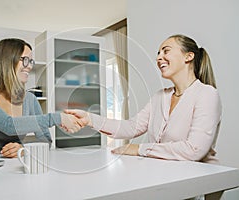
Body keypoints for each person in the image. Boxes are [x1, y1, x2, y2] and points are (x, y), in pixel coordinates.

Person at [66, 34, 222, 164]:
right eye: (158, 53)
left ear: (188, 56)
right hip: (167, 173)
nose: (159, 57)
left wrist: (139, 149)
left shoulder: (207, 94)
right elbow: (130, 127)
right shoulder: (160, 97)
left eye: (165, 51)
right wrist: (89, 119)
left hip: (199, 179)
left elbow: (193, 150)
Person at [0, 38, 82, 158]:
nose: (29, 66)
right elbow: (8, 125)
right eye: (25, 60)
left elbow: (45, 141)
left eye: (31, 61)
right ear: (7, 60)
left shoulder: (30, 99)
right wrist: (58, 118)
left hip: (15, 164)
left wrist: (23, 149)